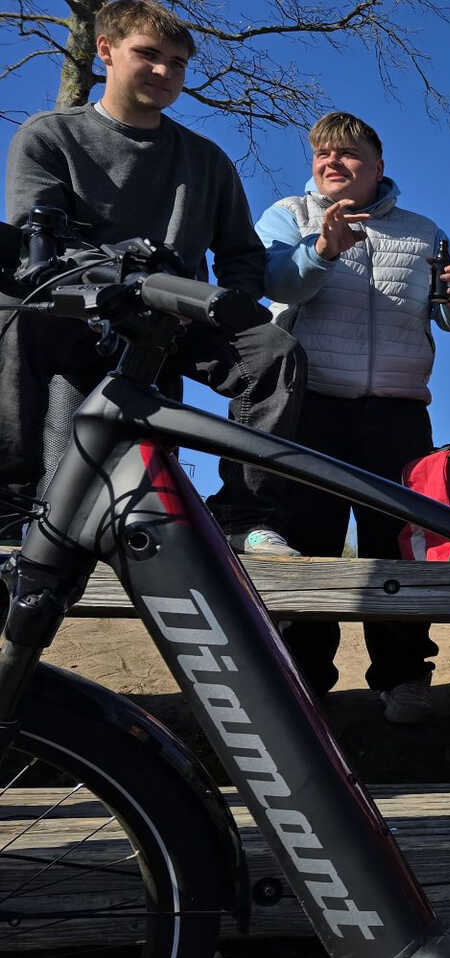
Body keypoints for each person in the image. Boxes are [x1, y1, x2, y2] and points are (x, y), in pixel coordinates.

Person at [1, 0, 306, 556]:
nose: (165, 72)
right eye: (148, 55)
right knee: (11, 312)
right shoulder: (48, 137)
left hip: (174, 314)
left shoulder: (208, 160)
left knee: (273, 351)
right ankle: (10, 503)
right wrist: (112, 275)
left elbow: (241, 253)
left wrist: (225, 300)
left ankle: (243, 515)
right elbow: (35, 243)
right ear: (106, 50)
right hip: (78, 304)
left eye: (178, 62)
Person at [254, 111, 450, 724]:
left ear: (379, 167)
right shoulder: (287, 216)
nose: (333, 164)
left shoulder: (422, 230)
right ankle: (303, 681)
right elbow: (271, 281)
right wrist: (323, 249)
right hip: (310, 406)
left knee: (399, 547)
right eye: (322, 155)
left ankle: (405, 679)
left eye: (349, 155)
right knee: (309, 545)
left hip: (399, 410)